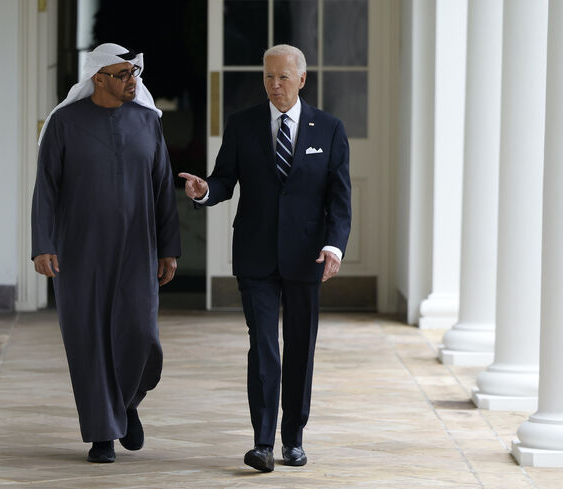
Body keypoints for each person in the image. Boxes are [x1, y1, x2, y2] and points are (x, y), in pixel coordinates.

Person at [179, 44, 351, 472]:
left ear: (302, 80)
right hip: (255, 255)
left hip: (306, 257)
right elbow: (224, 180)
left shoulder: (329, 129)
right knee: (263, 348)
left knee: (299, 350)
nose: (275, 86)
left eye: (284, 78)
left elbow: (339, 197)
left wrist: (334, 245)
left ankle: (293, 439)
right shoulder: (242, 125)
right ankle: (261, 443)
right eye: (269, 78)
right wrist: (205, 192)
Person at [31, 43, 181, 464]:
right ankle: (102, 434)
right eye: (123, 74)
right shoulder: (65, 123)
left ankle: (127, 402)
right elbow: (46, 187)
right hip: (80, 250)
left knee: (141, 336)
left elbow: (162, 187)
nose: (132, 81)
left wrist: (169, 248)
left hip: (139, 247)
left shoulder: (148, 122)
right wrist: (43, 244)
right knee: (89, 340)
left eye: (135, 74)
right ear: (98, 78)